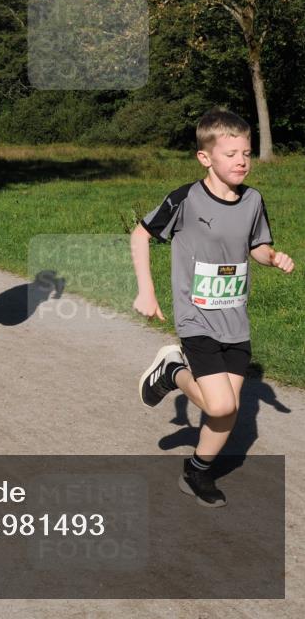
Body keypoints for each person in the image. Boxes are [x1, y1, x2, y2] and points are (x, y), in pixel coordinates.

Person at [131, 108, 294, 507]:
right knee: (220, 402)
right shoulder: (186, 199)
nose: (241, 161)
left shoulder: (253, 200)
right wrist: (146, 291)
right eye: (231, 153)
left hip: (235, 320)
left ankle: (197, 472)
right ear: (206, 158)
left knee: (226, 414)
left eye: (247, 153)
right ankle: (172, 370)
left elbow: (257, 245)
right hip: (196, 317)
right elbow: (140, 235)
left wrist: (272, 257)